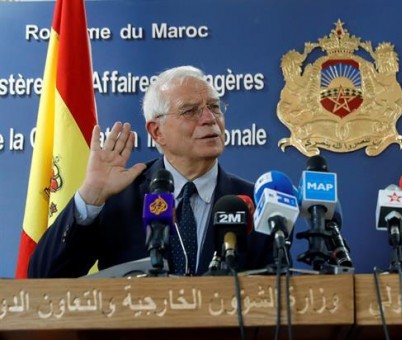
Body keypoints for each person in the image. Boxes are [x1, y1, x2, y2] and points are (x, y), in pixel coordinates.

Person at [28, 66, 272, 278]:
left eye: (214, 107)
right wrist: (90, 197)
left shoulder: (254, 201)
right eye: (190, 111)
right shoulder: (120, 196)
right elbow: (44, 276)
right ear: (157, 132)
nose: (210, 118)